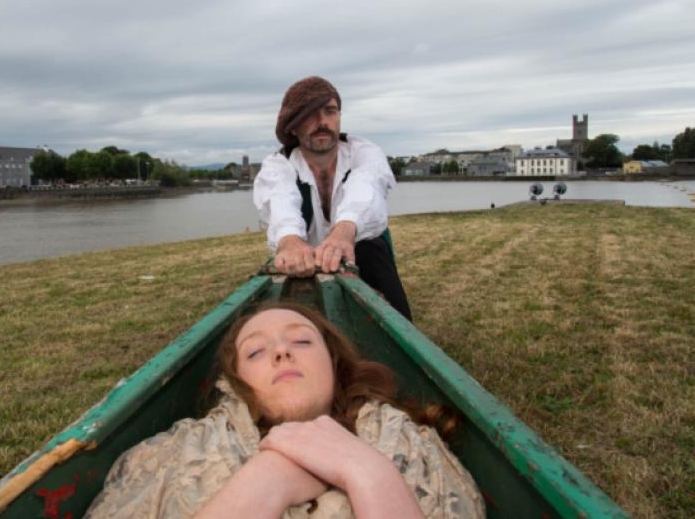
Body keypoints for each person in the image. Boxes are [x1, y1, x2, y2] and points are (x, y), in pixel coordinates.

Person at [86, 303, 484, 518]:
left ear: (334, 364)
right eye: (256, 352)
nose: (281, 351)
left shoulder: (416, 447)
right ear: (237, 382)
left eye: (303, 342)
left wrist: (368, 471)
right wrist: (266, 481)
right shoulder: (170, 456)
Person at [253, 76, 412, 320]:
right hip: (306, 258)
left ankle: (396, 324)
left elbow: (366, 185)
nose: (322, 122)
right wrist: (290, 239)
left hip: (361, 246)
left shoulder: (364, 152)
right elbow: (280, 198)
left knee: (373, 255)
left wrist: (345, 231)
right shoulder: (278, 165)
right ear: (293, 127)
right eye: (310, 114)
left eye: (330, 111)